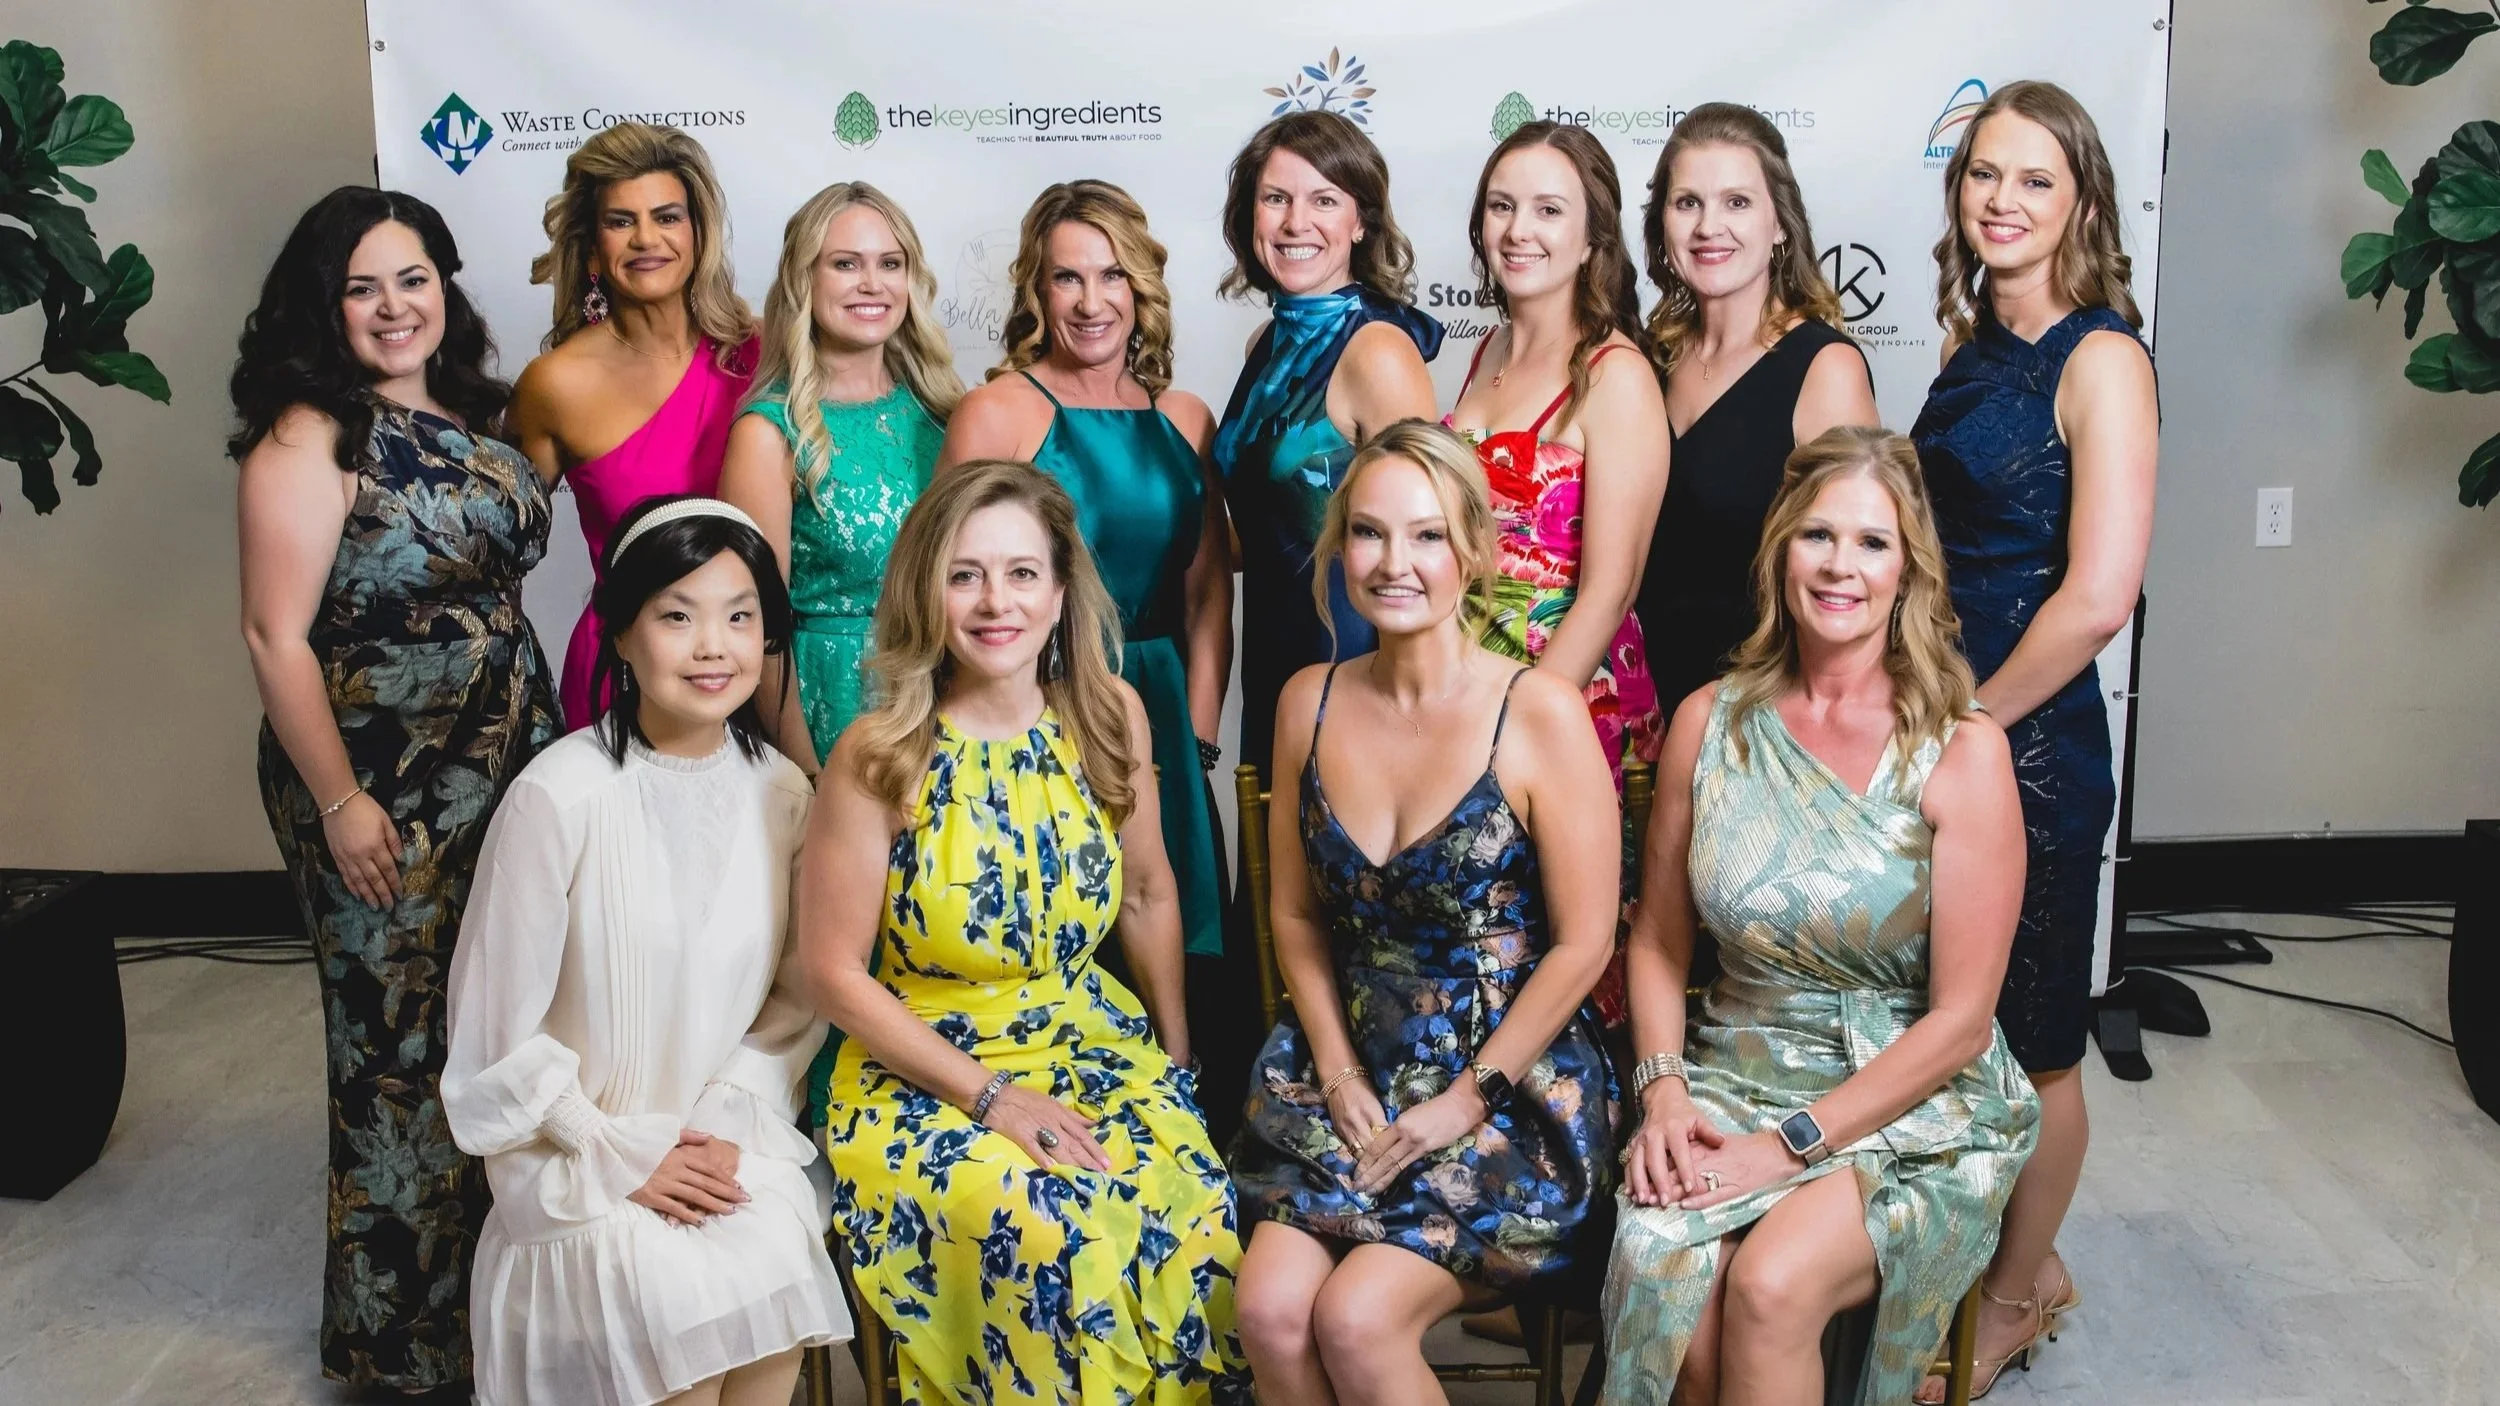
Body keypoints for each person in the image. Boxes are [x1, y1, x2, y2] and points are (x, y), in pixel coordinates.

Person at [1600, 427, 2039, 1406]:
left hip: (1913, 1097)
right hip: (1733, 1060)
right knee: (1672, 1283)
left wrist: (1789, 1141)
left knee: (1768, 1284)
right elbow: (1660, 940)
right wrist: (1665, 1093)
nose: (1841, 564)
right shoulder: (1707, 722)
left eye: (1872, 542)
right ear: (1779, 552)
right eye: (1818, 536)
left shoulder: (1960, 751)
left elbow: (1961, 1022)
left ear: (1907, 571)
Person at [801, 460, 1250, 1402]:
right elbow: (832, 973)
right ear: (928, 590)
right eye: (965, 574)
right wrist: (991, 1098)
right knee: (1055, 1227)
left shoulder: (1109, 716)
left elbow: (1149, 895)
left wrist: (1176, 1058)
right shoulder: (878, 753)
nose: (994, 601)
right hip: (926, 1069)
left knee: (1197, 1200)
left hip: (1087, 1039)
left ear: (1059, 593)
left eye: (1020, 573)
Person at [231, 185, 559, 1396]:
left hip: (500, 757)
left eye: (412, 277)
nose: (393, 306)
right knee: (395, 1054)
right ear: (326, 307)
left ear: (445, 285)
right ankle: (397, 1346)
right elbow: (274, 636)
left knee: (496, 1025)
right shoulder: (309, 430)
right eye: (362, 287)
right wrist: (340, 802)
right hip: (376, 781)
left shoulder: (472, 410)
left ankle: (497, 1310)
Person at [1230, 420, 1619, 1406]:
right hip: (1347, 1064)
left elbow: (1584, 944)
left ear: (1474, 552)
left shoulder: (1537, 710)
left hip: (1505, 1087)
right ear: (1337, 548)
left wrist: (1466, 1096)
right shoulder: (1303, 701)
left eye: (1427, 535)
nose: (1393, 562)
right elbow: (1297, 915)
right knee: (1272, 1309)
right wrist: (1333, 1064)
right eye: (1367, 533)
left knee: (1356, 1320)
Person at [444, 497, 851, 1406]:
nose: (714, 645)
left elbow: (791, 1005)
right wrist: (621, 1150)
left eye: (740, 616)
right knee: (677, 1316)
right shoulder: (559, 798)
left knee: (773, 1257)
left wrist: (722, 1120)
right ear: (620, 635)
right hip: (579, 1168)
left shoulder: (783, 793)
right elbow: (490, 1038)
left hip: (723, 1143)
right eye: (677, 615)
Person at [1907, 80, 2159, 1401]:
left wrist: (1976, 719)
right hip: (1945, 726)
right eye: (1981, 175)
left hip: (2031, 744)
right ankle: (1964, 1258)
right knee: (1951, 1016)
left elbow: (2098, 595)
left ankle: (2021, 1289)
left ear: (2085, 203)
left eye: (2033, 180)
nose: (2000, 200)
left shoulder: (2100, 359)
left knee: (2037, 1034)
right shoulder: (1977, 342)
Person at [937, 179, 1239, 1122]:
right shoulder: (998, 412)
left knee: (1180, 943)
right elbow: (951, 589)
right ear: (1037, 290)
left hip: (1161, 718)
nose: (1090, 299)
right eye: (1066, 277)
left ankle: (1188, 1150)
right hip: (1044, 707)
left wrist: (1190, 732)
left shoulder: (1185, 416)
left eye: (1111, 274)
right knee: (1074, 943)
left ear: (1141, 286)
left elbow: (1206, 590)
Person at [717, 180, 961, 1137]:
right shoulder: (769, 429)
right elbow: (754, 625)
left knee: (934, 932)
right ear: (803, 279)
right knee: (829, 953)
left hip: (938, 696)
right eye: (845, 263)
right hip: (822, 697)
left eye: (889, 263)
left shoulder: (949, 413)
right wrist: (804, 769)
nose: (871, 284)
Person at [1212, 109, 1444, 779]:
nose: (1294, 222)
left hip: (1356, 660)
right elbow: (1273, 519)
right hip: (1274, 652)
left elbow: (1435, 543)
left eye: (1323, 200)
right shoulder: (1266, 344)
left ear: (1361, 221)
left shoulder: (1379, 351)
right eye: (1275, 198)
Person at [507, 121, 759, 730]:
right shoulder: (555, 384)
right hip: (623, 679)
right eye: (621, 222)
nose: (647, 239)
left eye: (667, 217)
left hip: (754, 669)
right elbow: (493, 554)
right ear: (592, 249)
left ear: (698, 234)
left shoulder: (762, 353)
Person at [1635, 102, 1880, 707]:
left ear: (1780, 225)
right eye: (1687, 202)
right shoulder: (1647, 359)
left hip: (1762, 715)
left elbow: (1861, 574)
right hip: (1640, 706)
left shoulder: (1824, 368)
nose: (1707, 226)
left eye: (1737, 203)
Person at [1445, 120, 1669, 781]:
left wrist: (1522, 725)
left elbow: (1610, 589)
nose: (1518, 231)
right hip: (1468, 693)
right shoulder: (1487, 352)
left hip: (1567, 706)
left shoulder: (1615, 373)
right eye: (1502, 206)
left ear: (1591, 239)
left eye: (1548, 211)